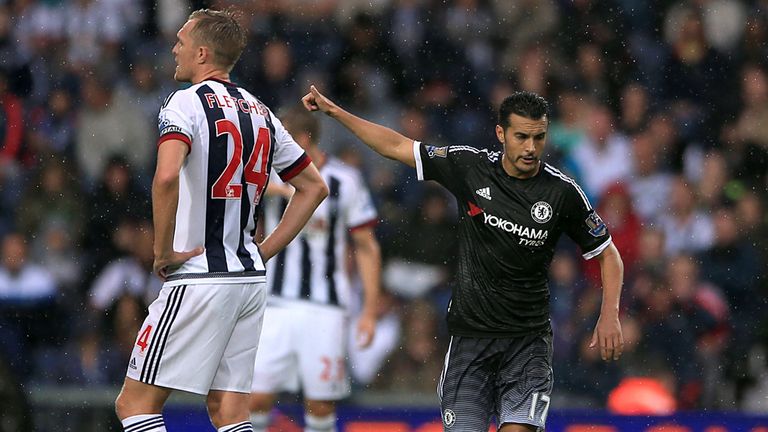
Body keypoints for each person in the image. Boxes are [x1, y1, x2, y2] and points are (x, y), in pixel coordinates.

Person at [302, 86, 624, 431]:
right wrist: (336, 112)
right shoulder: (469, 166)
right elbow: (397, 146)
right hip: (471, 343)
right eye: (521, 137)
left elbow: (609, 255)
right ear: (501, 133)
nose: (531, 148)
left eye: (539, 138)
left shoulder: (562, 192)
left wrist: (609, 315)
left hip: (527, 344)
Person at [113, 9, 329, 432]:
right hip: (247, 279)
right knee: (229, 412)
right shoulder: (260, 110)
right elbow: (314, 187)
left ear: (202, 52)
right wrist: (262, 251)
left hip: (198, 274)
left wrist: (162, 251)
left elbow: (167, 175)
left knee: (135, 404)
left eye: (181, 40)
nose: (174, 48)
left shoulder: (184, 103)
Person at [248, 105, 381, 432]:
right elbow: (236, 181)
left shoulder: (345, 180)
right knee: (253, 399)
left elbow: (366, 246)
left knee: (320, 404)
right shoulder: (269, 172)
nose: (276, 146)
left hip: (326, 308)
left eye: (284, 138)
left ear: (304, 139)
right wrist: (278, 187)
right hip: (274, 304)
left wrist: (369, 310)